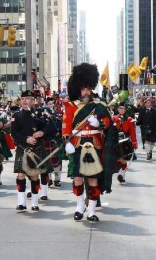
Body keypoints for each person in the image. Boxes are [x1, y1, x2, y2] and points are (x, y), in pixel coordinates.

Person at [63, 63, 111, 222]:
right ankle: (79, 206)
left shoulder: (99, 105)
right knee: (77, 177)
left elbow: (108, 121)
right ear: (78, 89)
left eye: (89, 89)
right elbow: (66, 125)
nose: (86, 92)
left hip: (94, 143)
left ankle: (91, 210)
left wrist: (99, 123)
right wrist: (66, 142)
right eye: (83, 89)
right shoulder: (70, 106)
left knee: (92, 179)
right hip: (77, 144)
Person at [10, 90, 56, 212]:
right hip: (22, 148)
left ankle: (35, 203)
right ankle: (21, 203)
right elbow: (14, 133)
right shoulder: (16, 116)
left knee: (34, 175)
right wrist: (26, 138)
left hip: (37, 148)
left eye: (28, 98)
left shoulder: (40, 114)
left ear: (32, 101)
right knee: (21, 175)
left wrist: (42, 132)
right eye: (23, 98)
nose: (25, 101)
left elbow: (52, 125)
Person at [113, 102, 138, 183]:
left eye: (123, 108)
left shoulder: (129, 119)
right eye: (120, 108)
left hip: (125, 141)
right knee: (117, 159)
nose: (121, 110)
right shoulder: (114, 118)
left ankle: (122, 174)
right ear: (117, 109)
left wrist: (134, 143)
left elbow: (132, 132)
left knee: (123, 159)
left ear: (125, 110)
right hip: (115, 141)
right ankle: (121, 173)